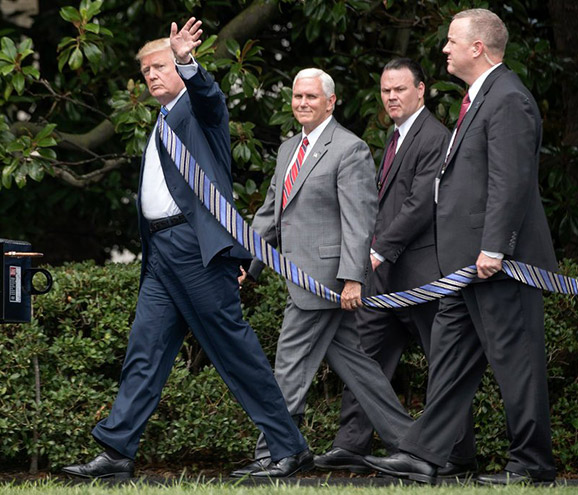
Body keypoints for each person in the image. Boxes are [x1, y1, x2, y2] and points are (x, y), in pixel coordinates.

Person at [62, 18, 311, 479]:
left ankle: (288, 447)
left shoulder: (199, 113)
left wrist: (185, 59)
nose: (152, 76)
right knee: (146, 349)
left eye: (159, 67)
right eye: (146, 72)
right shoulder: (158, 122)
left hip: (196, 250)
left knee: (233, 351)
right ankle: (117, 453)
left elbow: (211, 98)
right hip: (160, 253)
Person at [364, 8, 558, 485]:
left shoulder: (509, 98)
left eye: (452, 41)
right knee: (449, 360)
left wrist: (494, 247)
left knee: (517, 360)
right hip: (461, 267)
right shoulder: (477, 98)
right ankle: (428, 455)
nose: (444, 49)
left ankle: (532, 464)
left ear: (478, 48)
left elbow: (510, 182)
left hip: (497, 264)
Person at [230, 67, 414, 477]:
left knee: (289, 366)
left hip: (325, 282)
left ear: (331, 102)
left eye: (311, 97)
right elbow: (269, 216)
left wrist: (353, 277)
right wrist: (247, 262)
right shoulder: (287, 149)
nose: (302, 103)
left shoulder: (349, 149)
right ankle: (415, 447)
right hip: (301, 278)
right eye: (297, 97)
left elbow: (360, 219)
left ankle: (275, 453)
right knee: (360, 369)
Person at [314, 58, 476, 477]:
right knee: (365, 358)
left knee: (444, 364)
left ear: (420, 90)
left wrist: (377, 249)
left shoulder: (436, 137)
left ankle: (457, 456)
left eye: (400, 89)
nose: (391, 97)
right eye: (386, 91)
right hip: (385, 279)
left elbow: (421, 203)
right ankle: (351, 444)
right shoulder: (396, 137)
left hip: (425, 276)